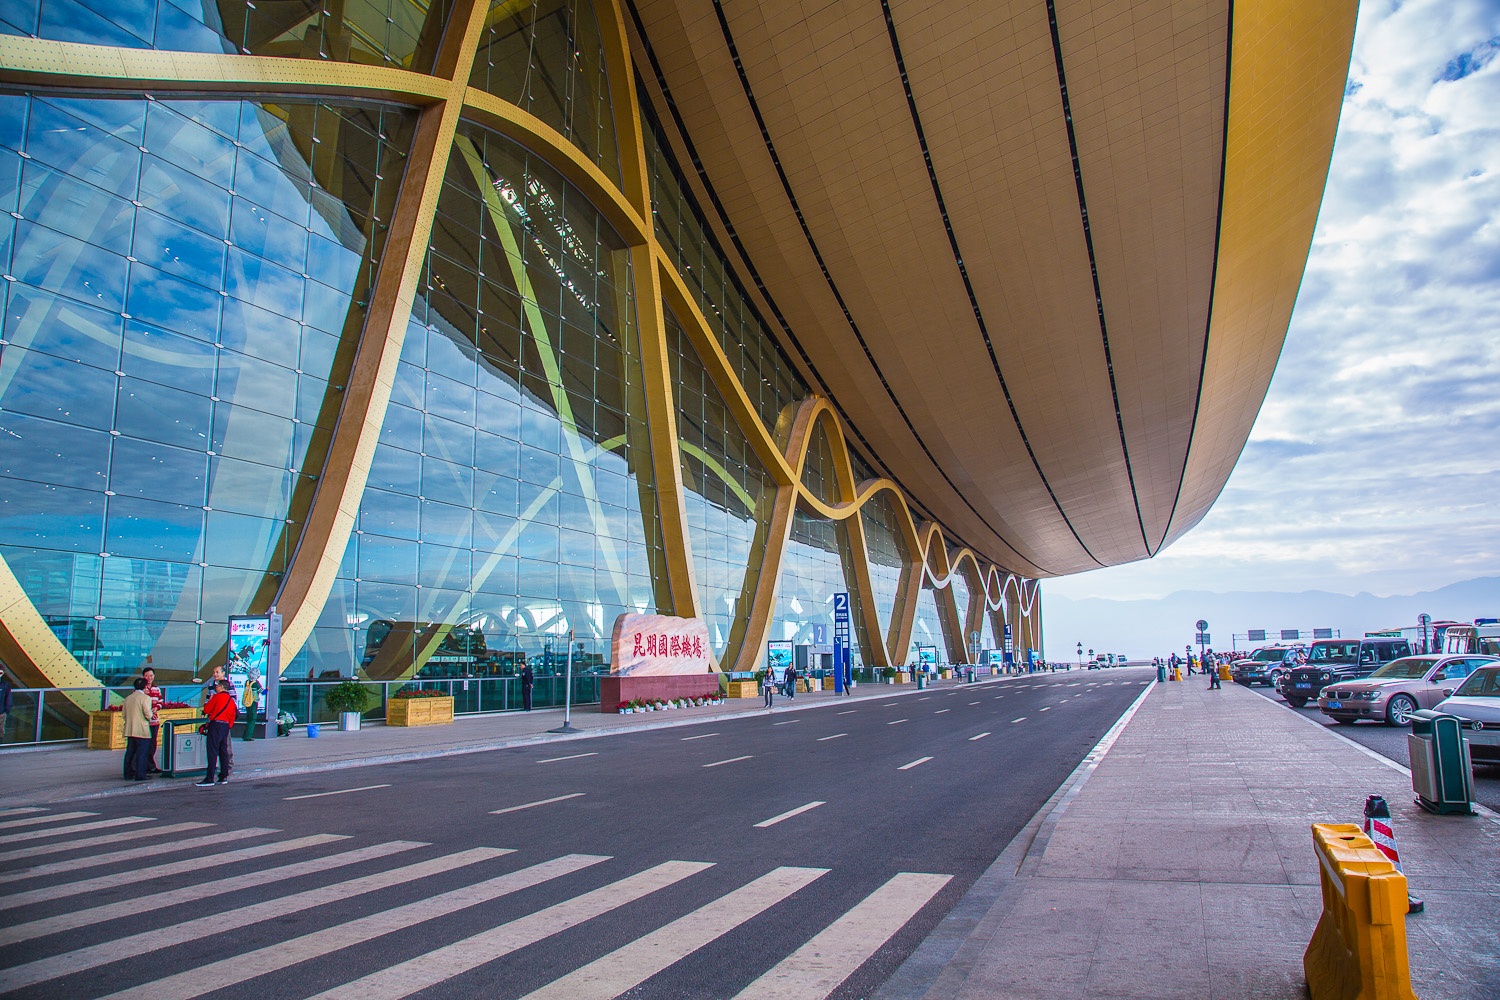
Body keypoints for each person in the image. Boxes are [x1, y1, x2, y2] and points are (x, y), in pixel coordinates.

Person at [200, 680, 237, 786]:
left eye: (217, 686)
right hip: (225, 726)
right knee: (223, 751)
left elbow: (207, 709)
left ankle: (210, 778)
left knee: (212, 752)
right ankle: (223, 776)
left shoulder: (216, 697)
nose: (216, 688)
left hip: (215, 725)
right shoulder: (231, 700)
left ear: (221, 687)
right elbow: (233, 716)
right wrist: (227, 726)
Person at [122, 678, 154, 782]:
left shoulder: (128, 698)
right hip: (141, 730)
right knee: (142, 753)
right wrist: (151, 715)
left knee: (130, 752)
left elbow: (124, 715)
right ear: (145, 687)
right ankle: (140, 774)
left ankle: (128, 773)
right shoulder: (145, 698)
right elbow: (148, 714)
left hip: (130, 729)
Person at [141, 667, 164, 773]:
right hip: (144, 721)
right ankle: (144, 765)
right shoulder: (141, 689)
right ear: (143, 677)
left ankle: (150, 765)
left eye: (151, 676)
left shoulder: (157, 688)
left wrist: (157, 707)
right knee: (144, 744)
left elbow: (161, 701)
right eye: (147, 676)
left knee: (152, 744)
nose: (149, 678)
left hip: (154, 721)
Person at [240, 666, 262, 741]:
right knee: (252, 720)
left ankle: (245, 735)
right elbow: (263, 692)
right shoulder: (256, 684)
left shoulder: (247, 682)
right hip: (253, 703)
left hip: (247, 702)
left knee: (248, 718)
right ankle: (248, 736)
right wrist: (268, 689)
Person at [0, 672, 13, 743]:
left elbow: (8, 699)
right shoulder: (5, 684)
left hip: (1, 712)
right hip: (2, 711)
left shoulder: (5, 684)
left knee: (1, 732)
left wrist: (6, 711)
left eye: (1, 673)